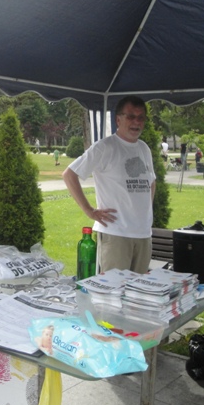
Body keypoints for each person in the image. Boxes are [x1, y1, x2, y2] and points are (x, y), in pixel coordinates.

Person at [63, 95, 156, 274]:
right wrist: (89, 210)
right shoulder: (105, 147)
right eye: (130, 116)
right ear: (118, 119)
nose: (136, 122)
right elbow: (69, 175)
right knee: (113, 294)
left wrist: (145, 210)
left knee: (139, 294)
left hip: (144, 235)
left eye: (140, 117)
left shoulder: (144, 148)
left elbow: (151, 182)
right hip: (116, 235)